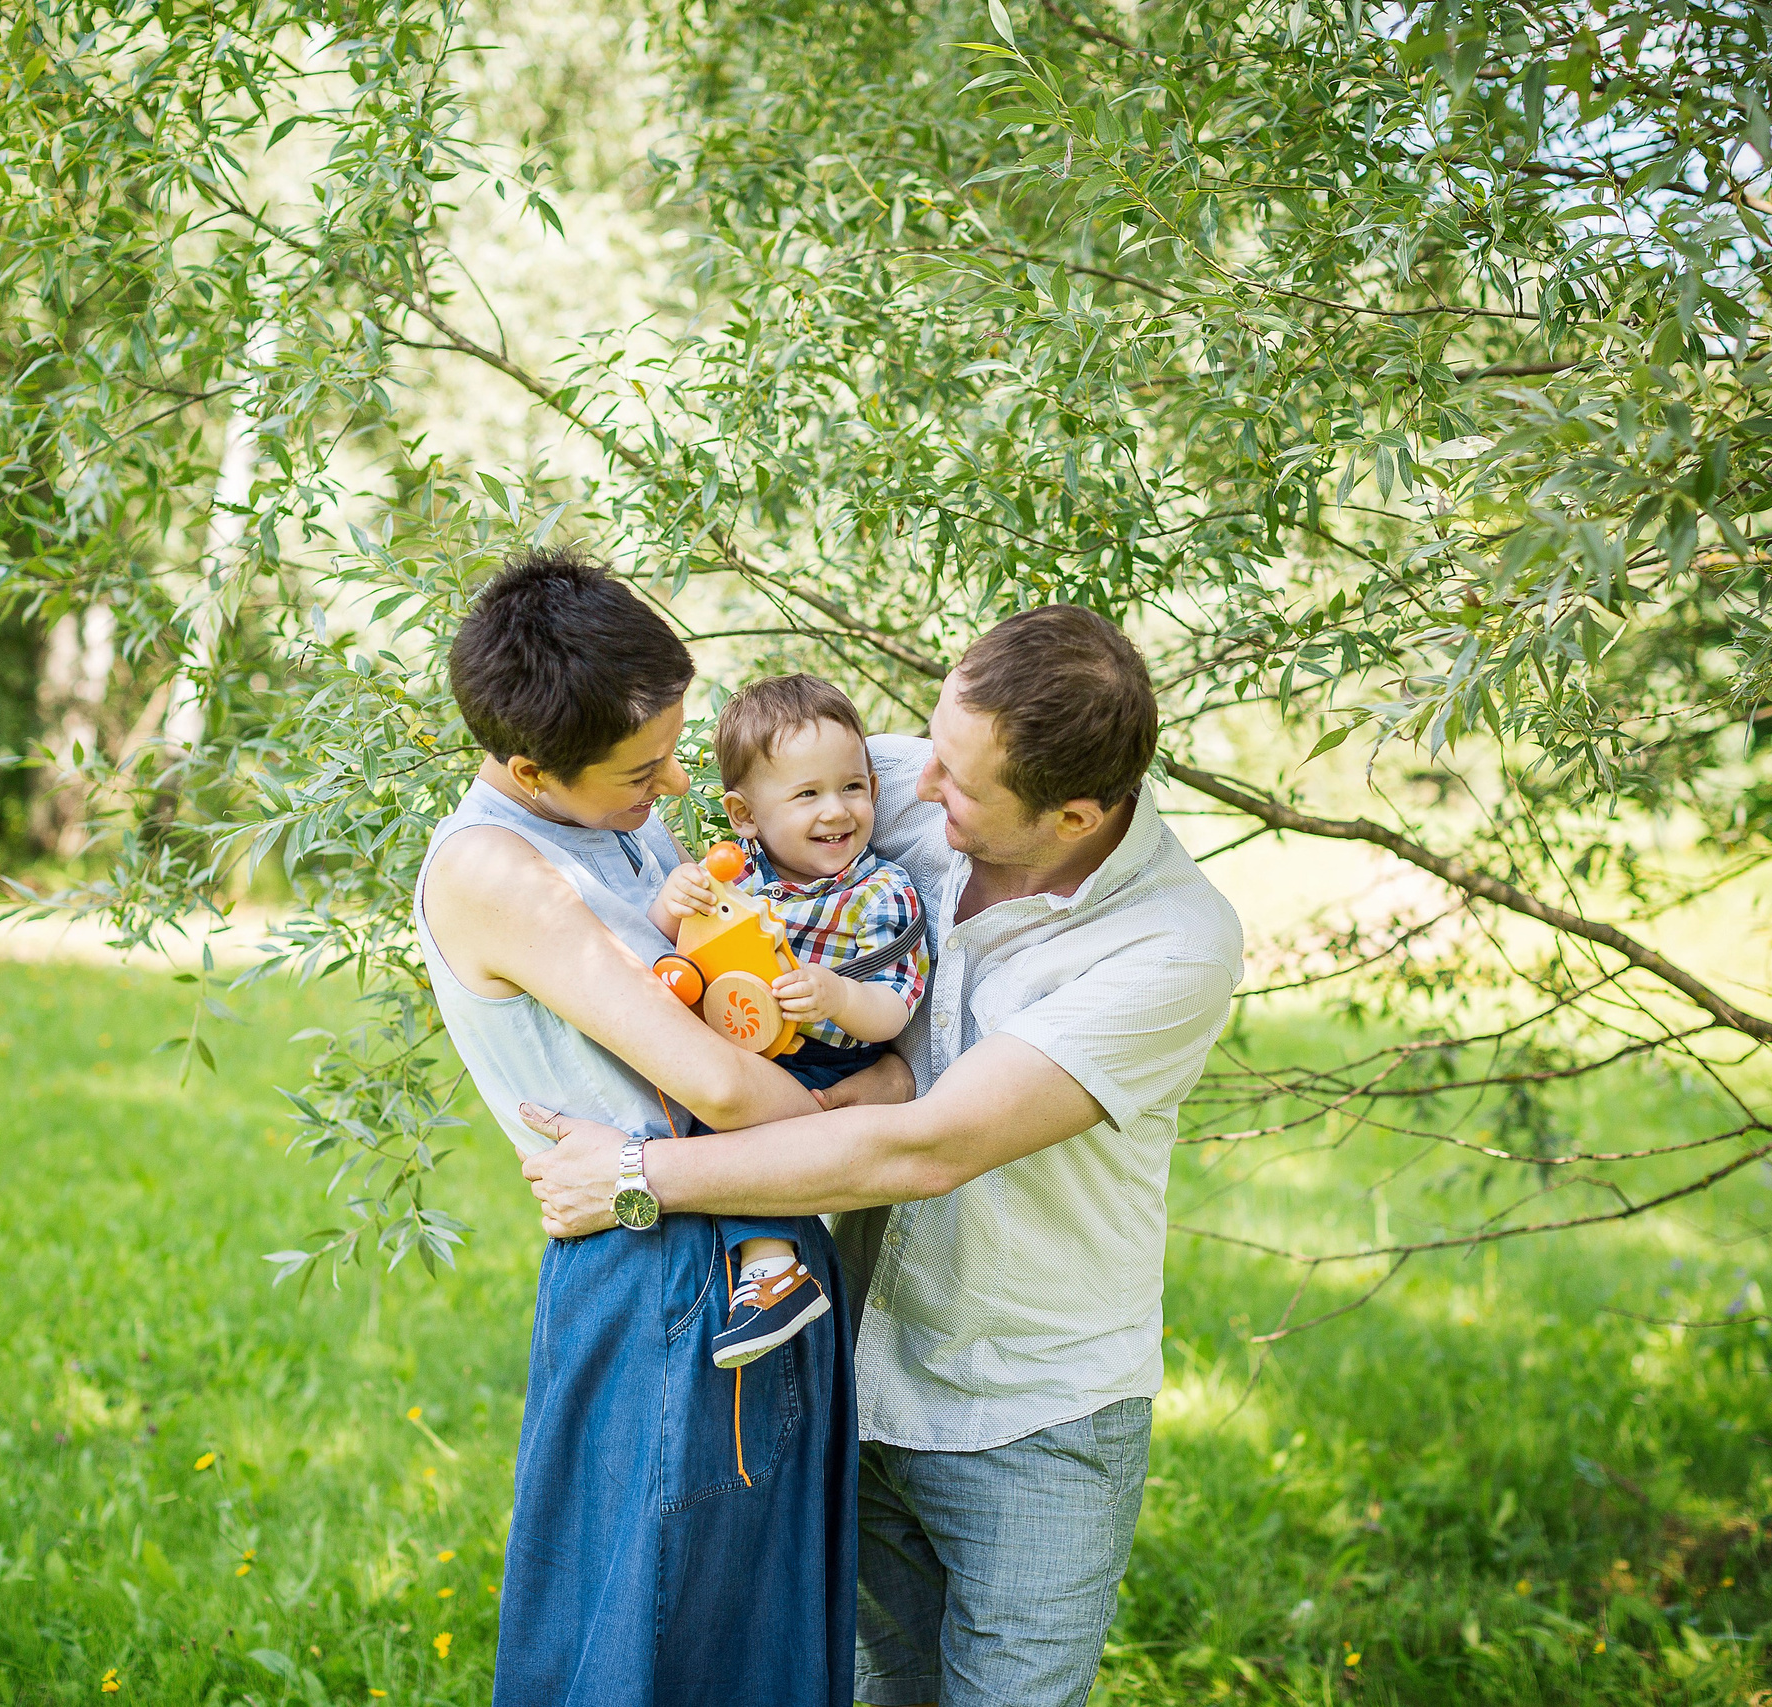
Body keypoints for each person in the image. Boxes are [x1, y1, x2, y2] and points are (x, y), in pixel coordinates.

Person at [520, 605, 1247, 1707]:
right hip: (854, 1372)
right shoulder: (885, 787)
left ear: (1077, 814)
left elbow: (929, 1147)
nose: (908, 788)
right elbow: (688, 786)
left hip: (1031, 1412)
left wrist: (634, 1178)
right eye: (926, 749)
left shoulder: (1170, 946)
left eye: (954, 784)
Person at [415, 548, 894, 1707]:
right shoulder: (499, 871)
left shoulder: (617, 825)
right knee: (651, 1627)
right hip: (659, 1270)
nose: (673, 785)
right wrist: (862, 1113)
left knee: (758, 1625)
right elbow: (723, 1088)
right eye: (642, 770)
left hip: (748, 1241)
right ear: (529, 768)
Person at [647, 674, 931, 1369]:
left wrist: (838, 996)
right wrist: (674, 898)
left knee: (739, 1124)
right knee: (709, 1100)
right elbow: (674, 933)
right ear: (744, 813)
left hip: (826, 1056)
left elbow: (896, 1003)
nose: (837, 811)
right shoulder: (734, 871)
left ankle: (772, 1268)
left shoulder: (879, 893)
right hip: (746, 1038)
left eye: (853, 787)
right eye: (806, 794)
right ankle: (745, 1261)